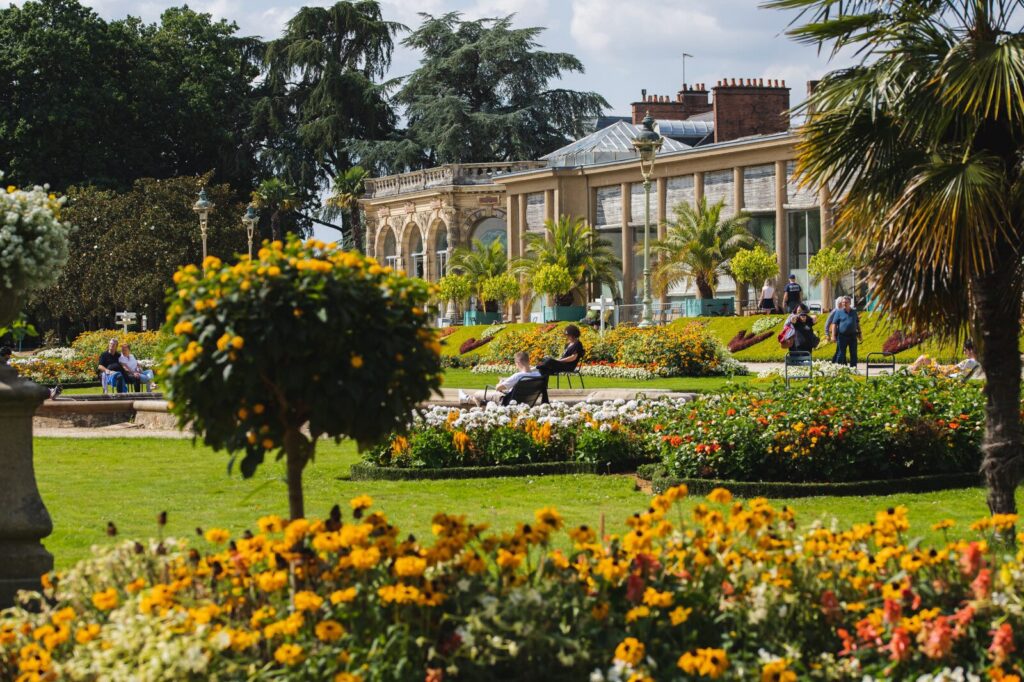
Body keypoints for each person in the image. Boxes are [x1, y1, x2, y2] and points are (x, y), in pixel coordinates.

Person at [471, 351, 541, 406]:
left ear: (518, 363)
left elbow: (498, 388)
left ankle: (482, 411)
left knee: (476, 394)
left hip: (506, 400)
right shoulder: (538, 374)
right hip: (527, 401)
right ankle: (469, 399)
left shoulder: (517, 376)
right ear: (528, 361)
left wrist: (500, 383)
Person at [910, 340, 980, 379]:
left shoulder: (969, 361)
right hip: (948, 372)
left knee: (923, 357)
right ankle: (910, 370)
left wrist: (937, 366)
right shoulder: (976, 362)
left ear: (971, 350)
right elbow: (955, 370)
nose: (964, 352)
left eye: (965, 350)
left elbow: (947, 372)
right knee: (925, 360)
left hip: (945, 374)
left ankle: (909, 373)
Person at [829, 296, 862, 367]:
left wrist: (860, 334)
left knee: (854, 354)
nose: (844, 304)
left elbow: (857, 323)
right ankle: (838, 369)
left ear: (850, 303)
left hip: (853, 336)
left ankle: (853, 369)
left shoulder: (854, 312)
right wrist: (833, 336)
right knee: (840, 354)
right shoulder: (839, 312)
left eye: (846, 302)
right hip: (842, 337)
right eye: (843, 302)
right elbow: (834, 324)